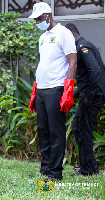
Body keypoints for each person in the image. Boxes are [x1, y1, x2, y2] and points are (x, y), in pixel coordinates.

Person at [28, 2, 77, 181]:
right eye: (35, 20)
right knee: (43, 130)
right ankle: (46, 169)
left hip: (56, 89)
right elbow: (44, 63)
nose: (37, 22)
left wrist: (68, 89)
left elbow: (72, 61)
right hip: (41, 90)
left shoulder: (64, 33)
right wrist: (35, 89)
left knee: (56, 131)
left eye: (40, 18)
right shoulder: (43, 37)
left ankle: (55, 173)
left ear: (49, 15)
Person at [65, 23, 105, 176]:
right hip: (89, 95)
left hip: (92, 97)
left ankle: (87, 169)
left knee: (84, 131)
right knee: (77, 127)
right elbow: (89, 76)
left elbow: (95, 71)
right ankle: (89, 166)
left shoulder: (82, 46)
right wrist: (75, 94)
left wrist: (89, 95)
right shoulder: (81, 46)